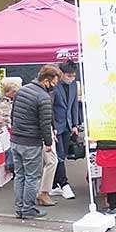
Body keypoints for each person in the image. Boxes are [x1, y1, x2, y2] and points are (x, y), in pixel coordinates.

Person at [10, 65, 61, 219]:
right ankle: (28, 209)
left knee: (20, 176)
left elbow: (13, 115)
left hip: (16, 140)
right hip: (31, 142)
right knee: (32, 177)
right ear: (46, 80)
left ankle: (20, 208)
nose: (54, 86)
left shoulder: (22, 90)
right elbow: (45, 124)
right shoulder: (43, 97)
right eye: (54, 83)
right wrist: (48, 144)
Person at [49, 61, 80, 199]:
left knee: (62, 155)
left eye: (73, 75)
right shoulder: (54, 85)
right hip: (56, 125)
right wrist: (52, 126)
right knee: (59, 154)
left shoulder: (74, 84)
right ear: (61, 74)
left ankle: (54, 185)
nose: (71, 78)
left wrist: (75, 124)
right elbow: (49, 107)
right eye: (68, 75)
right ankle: (64, 184)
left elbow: (74, 105)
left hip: (68, 125)